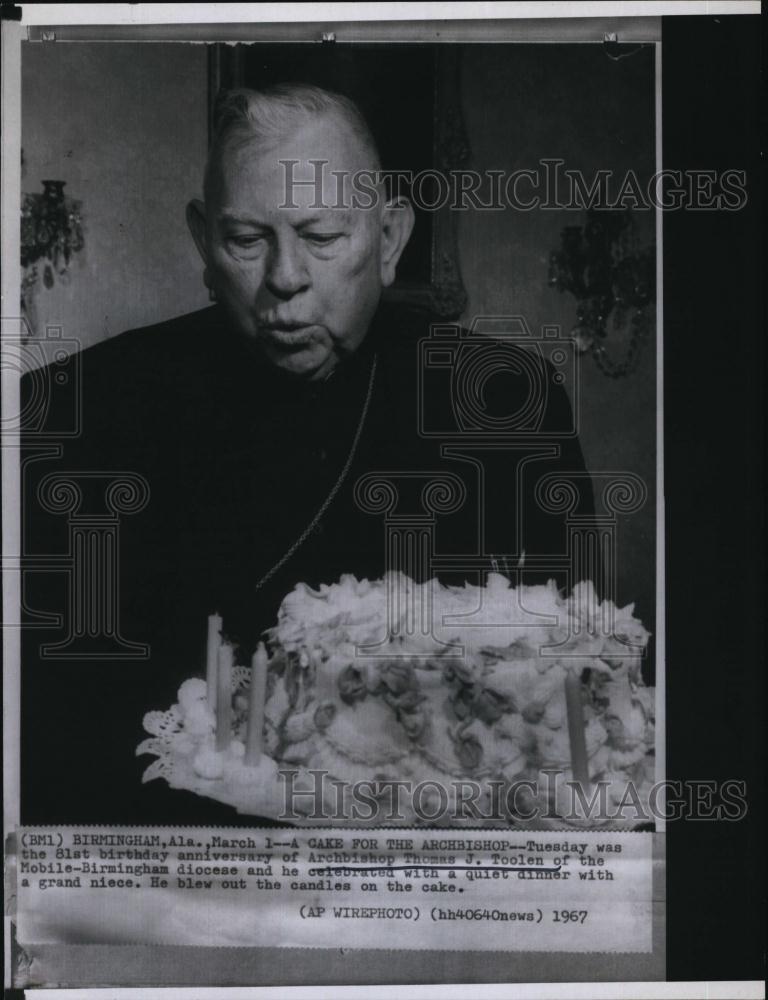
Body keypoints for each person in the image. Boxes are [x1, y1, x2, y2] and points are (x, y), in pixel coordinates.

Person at [20, 83, 593, 824]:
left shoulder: (506, 405)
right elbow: (51, 735)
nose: (285, 277)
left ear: (389, 241)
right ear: (202, 241)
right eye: (247, 240)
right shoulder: (77, 408)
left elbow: (568, 704)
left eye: (322, 237)